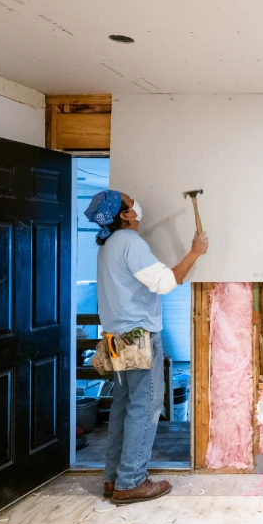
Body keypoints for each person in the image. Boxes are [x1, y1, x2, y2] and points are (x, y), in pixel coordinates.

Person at [85, 190, 208, 505]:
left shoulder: (109, 246)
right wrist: (195, 252)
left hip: (116, 335)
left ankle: (114, 479)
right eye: (130, 201)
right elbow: (166, 283)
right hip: (136, 334)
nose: (137, 202)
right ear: (125, 215)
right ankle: (131, 482)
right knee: (145, 406)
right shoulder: (130, 243)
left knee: (124, 405)